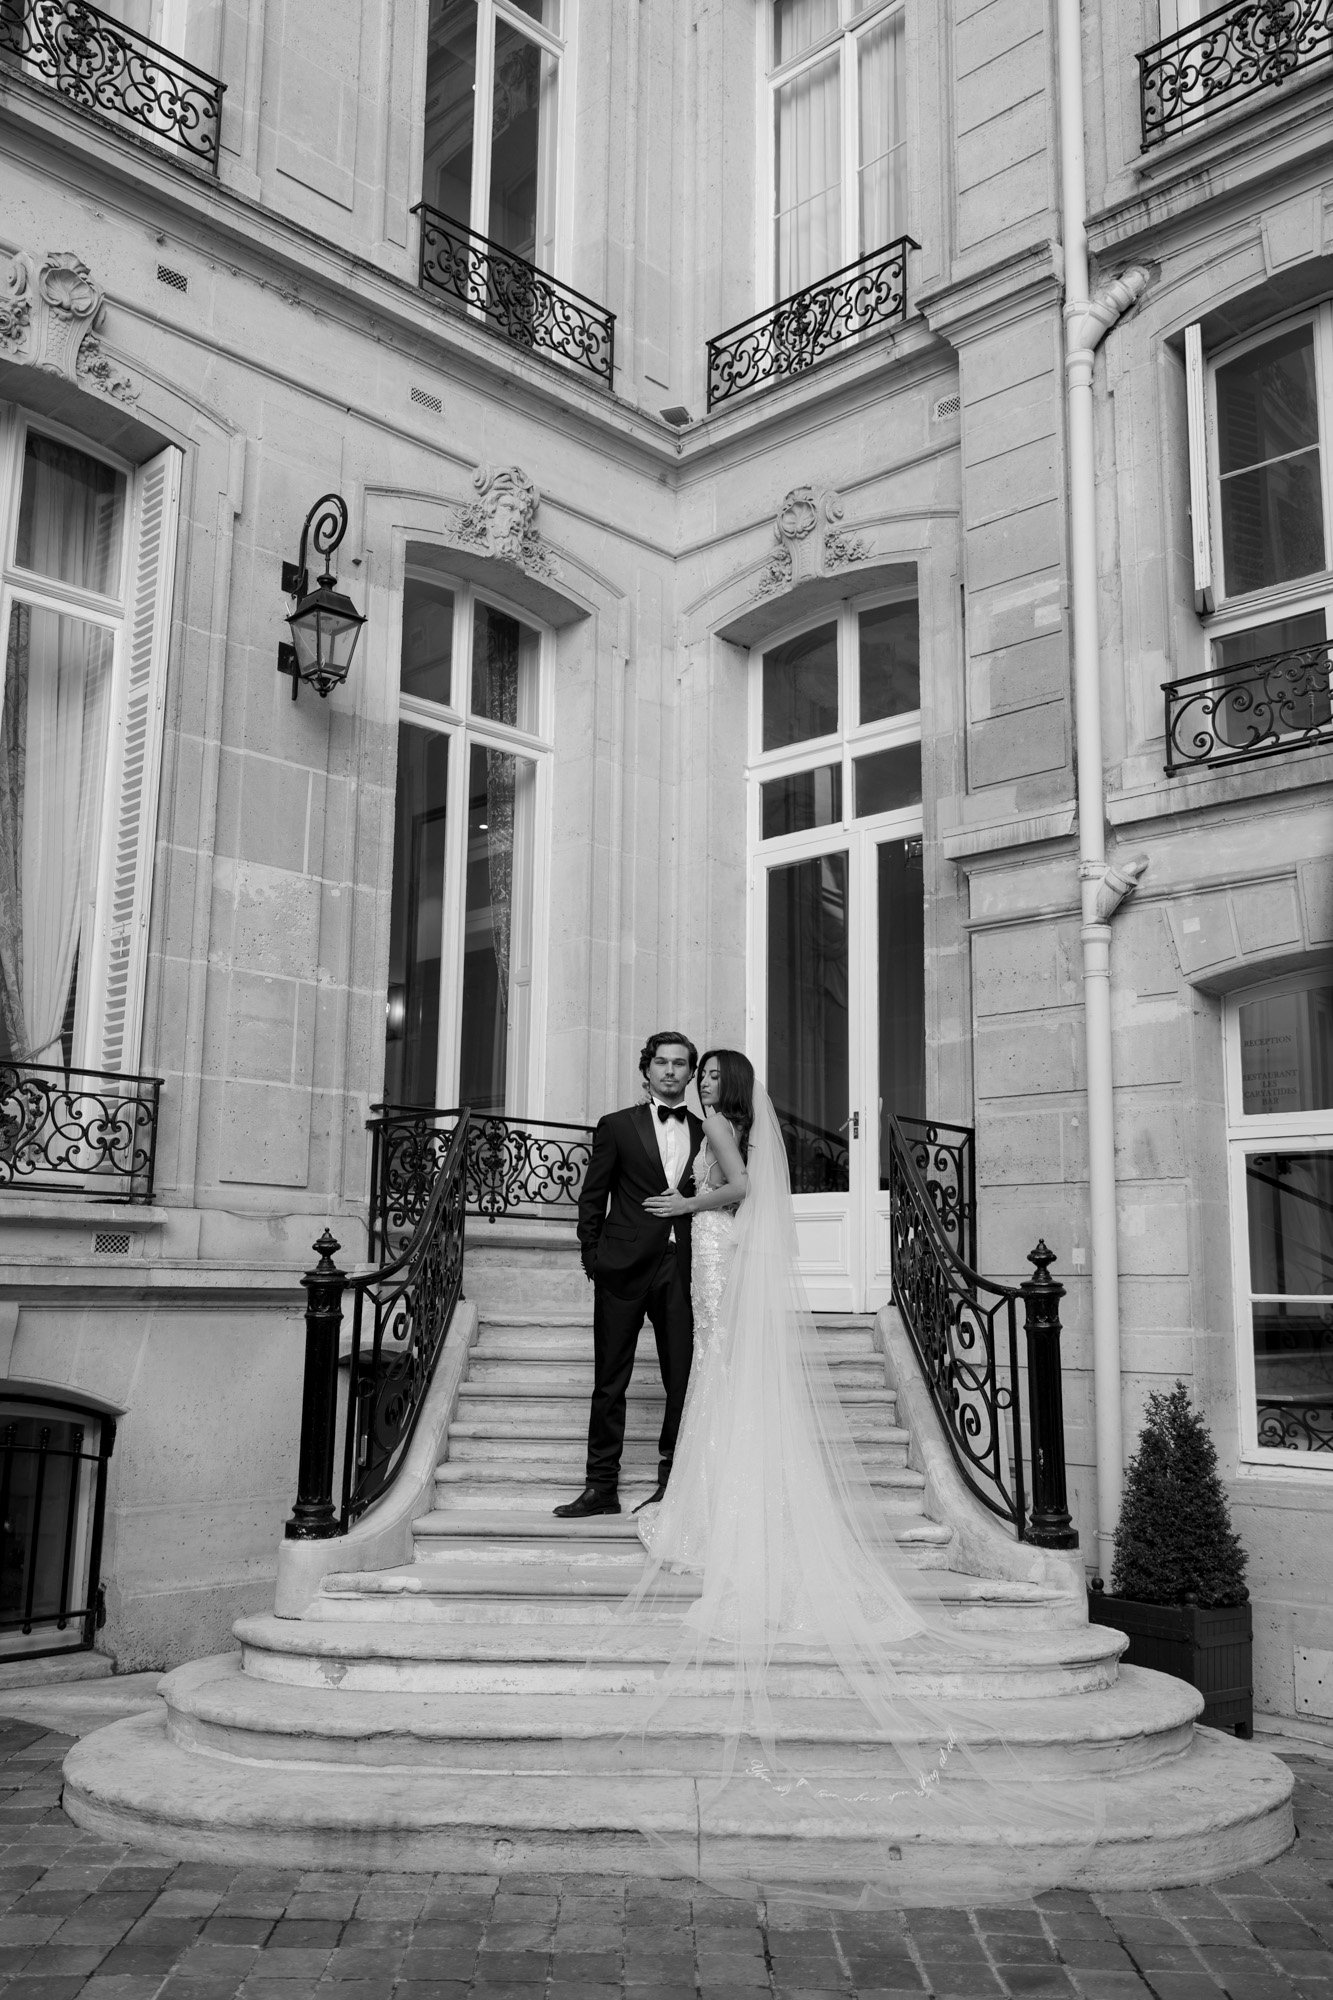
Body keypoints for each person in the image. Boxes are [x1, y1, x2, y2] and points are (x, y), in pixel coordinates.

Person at [575, 1049, 1100, 1897]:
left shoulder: (716, 1126)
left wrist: (688, 1201)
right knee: (707, 1373)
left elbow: (739, 1189)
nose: (699, 1083)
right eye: (689, 1073)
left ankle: (704, 1507)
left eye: (709, 1075)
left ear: (727, 1089)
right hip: (694, 1256)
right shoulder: (715, 1122)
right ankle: (691, 1494)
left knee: (708, 1370)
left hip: (706, 1247)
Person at [554, 1031, 705, 1520]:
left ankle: (672, 1480)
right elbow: (592, 1196)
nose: (669, 1071)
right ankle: (601, 1487)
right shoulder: (616, 1126)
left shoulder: (707, 1132)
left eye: (679, 1064)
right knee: (610, 1381)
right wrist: (592, 1257)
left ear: (691, 1073)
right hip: (620, 1267)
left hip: (681, 1268)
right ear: (647, 1070)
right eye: (660, 1062)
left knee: (681, 1380)